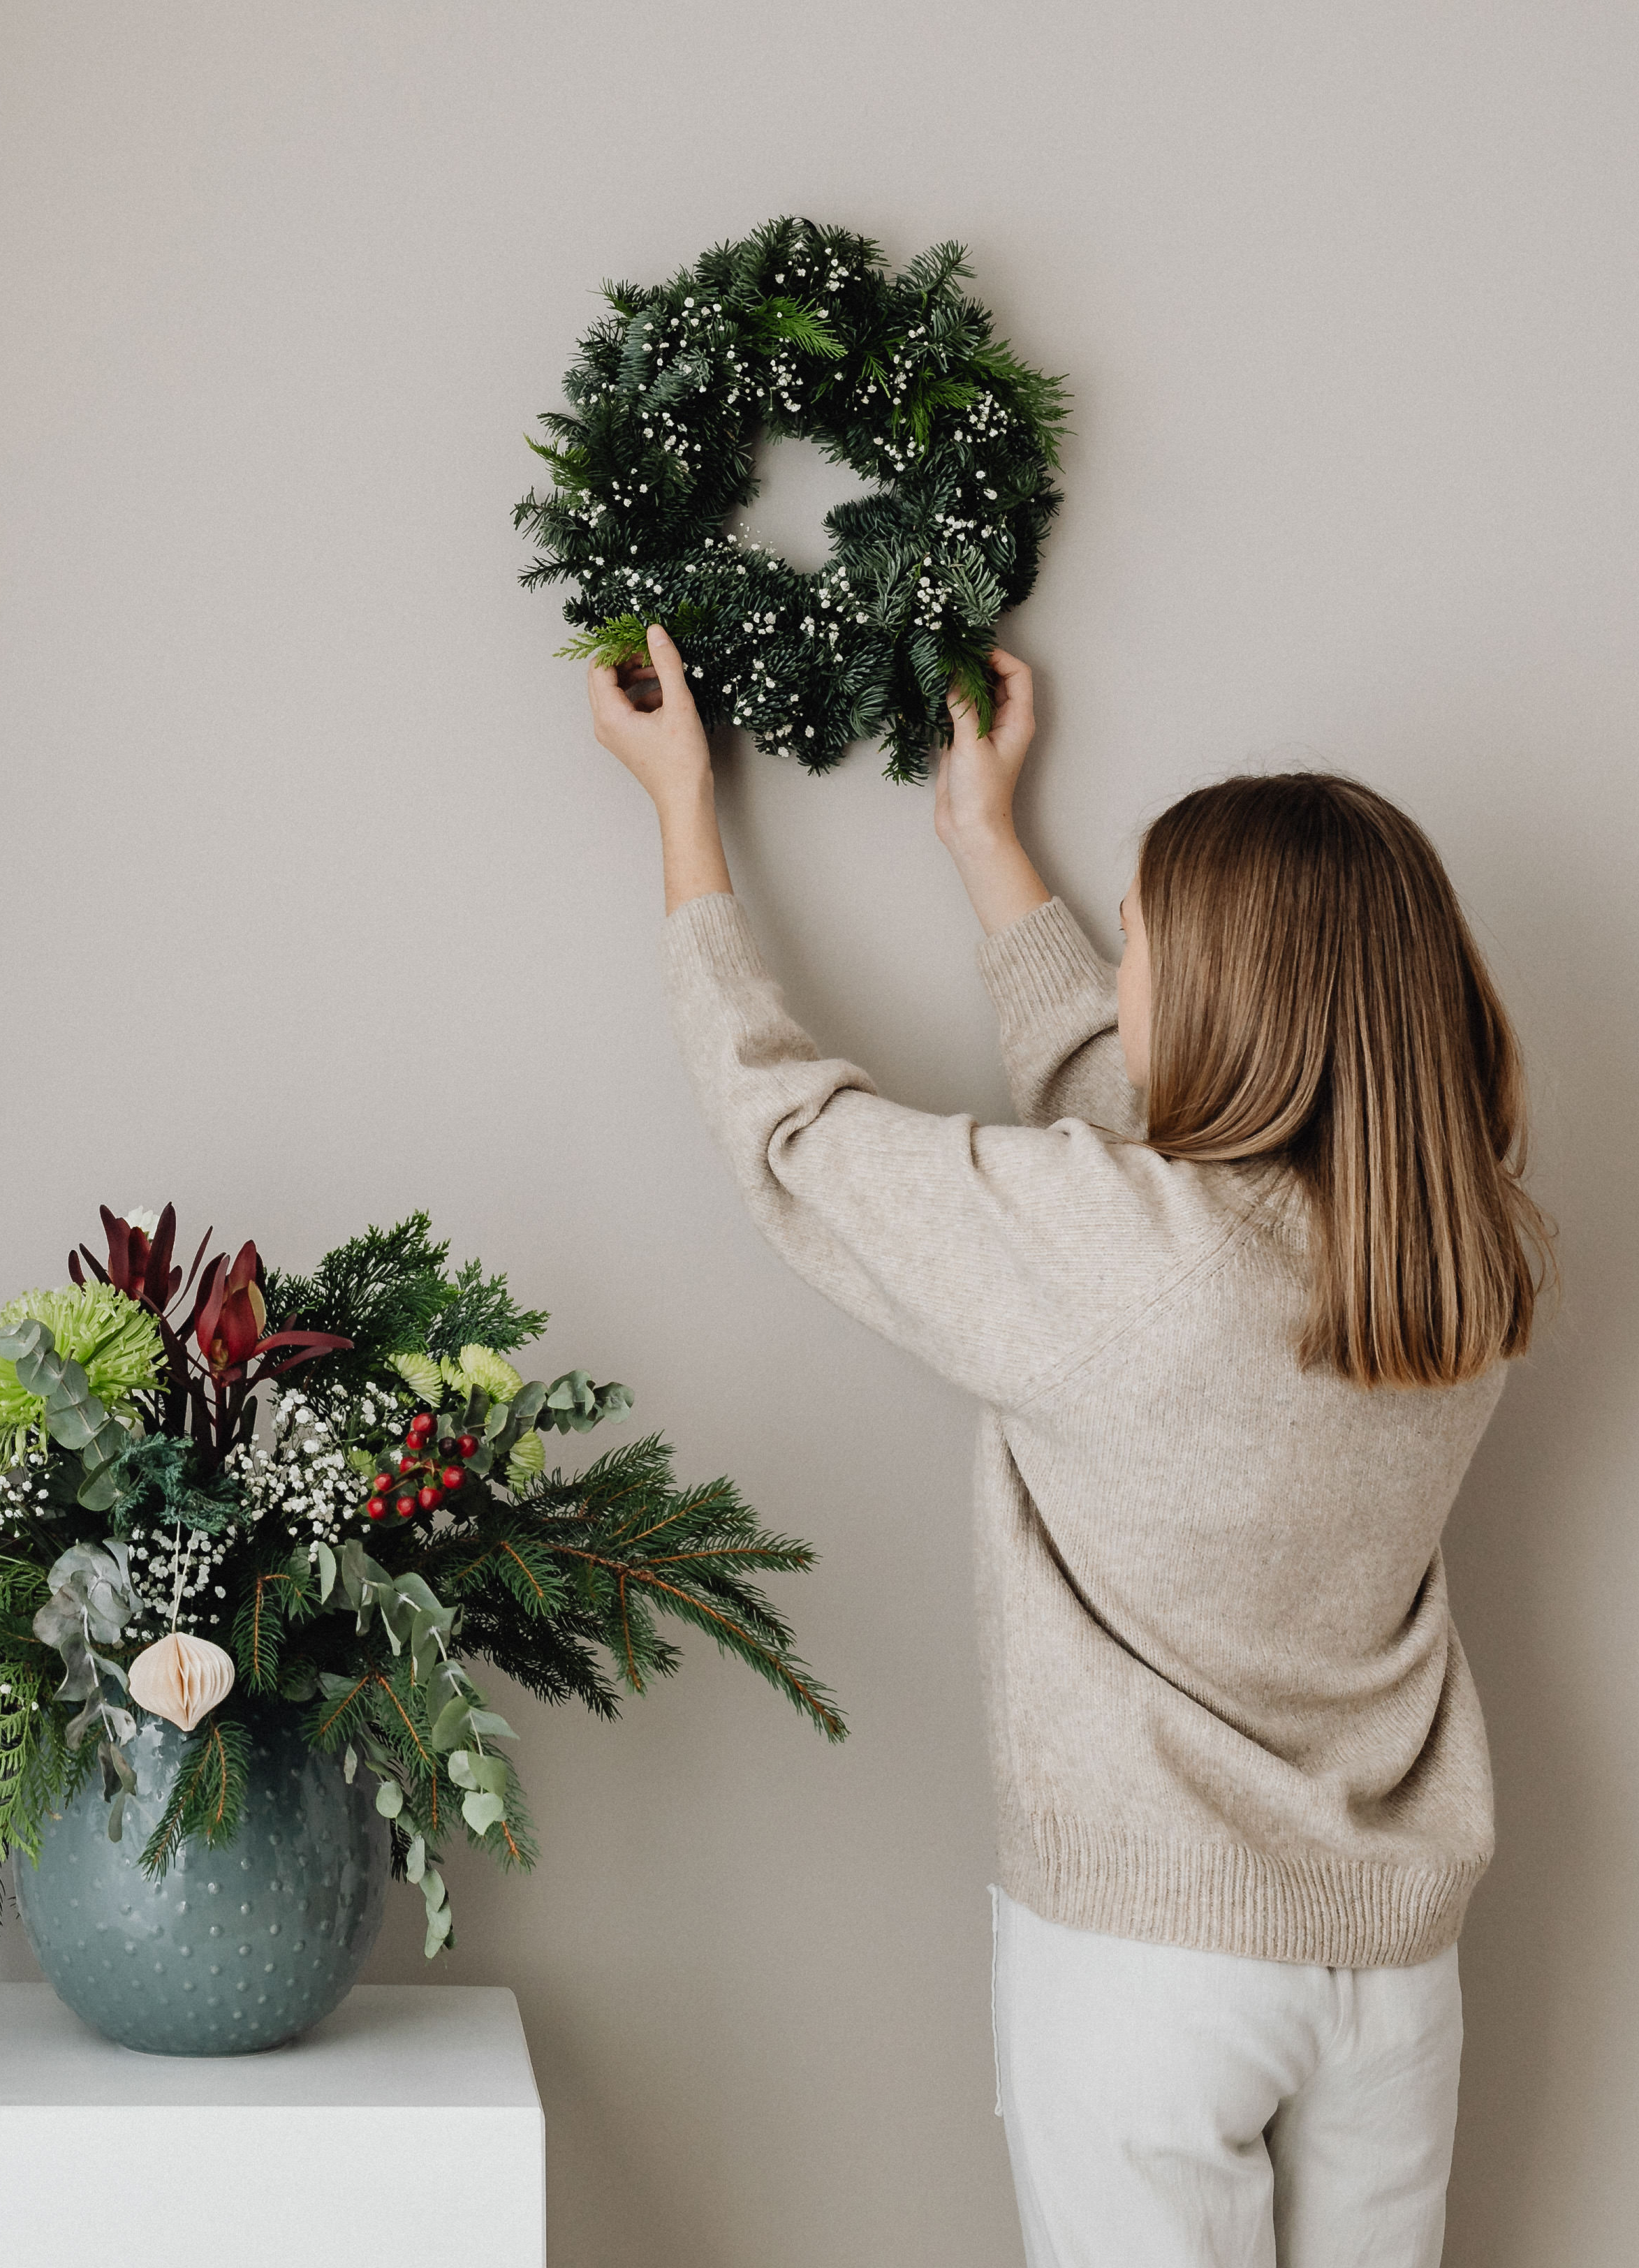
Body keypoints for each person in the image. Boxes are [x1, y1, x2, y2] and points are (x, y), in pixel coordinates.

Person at [588, 628, 1548, 2268]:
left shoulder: (1122, 1259)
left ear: (1237, 1006)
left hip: (1153, 1970)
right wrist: (988, 851)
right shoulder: (1463, 1262)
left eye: (1144, 952)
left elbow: (790, 1132)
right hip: (1392, 1976)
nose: (1120, 984)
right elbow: (1152, 1140)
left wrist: (684, 811)